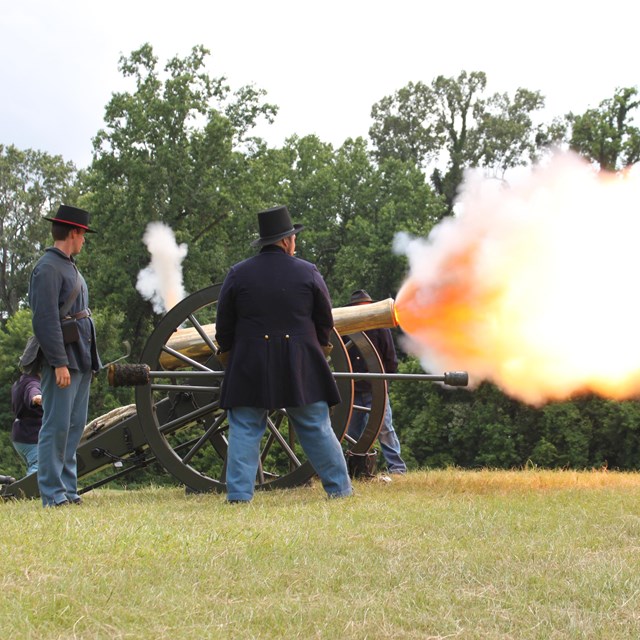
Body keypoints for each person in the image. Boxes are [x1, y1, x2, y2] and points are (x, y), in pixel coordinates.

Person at [215, 205, 353, 503]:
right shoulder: (308, 271)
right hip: (300, 360)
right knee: (316, 425)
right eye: (294, 238)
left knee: (244, 427)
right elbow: (324, 319)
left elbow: (224, 324)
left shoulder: (238, 274)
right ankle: (339, 490)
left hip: (250, 361)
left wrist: (228, 354)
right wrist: (319, 348)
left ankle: (239, 496)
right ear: (287, 240)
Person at [29, 204, 101, 507]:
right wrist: (59, 362)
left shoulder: (68, 265)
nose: (84, 240)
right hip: (64, 359)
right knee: (56, 428)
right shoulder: (47, 268)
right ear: (74, 232)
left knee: (73, 428)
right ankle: (53, 494)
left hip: (80, 357)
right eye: (83, 234)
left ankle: (69, 491)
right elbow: (44, 320)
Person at [346, 289, 407, 474]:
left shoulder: (380, 328)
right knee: (353, 434)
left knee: (385, 429)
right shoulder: (345, 330)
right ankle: (357, 469)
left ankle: (397, 468)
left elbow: (390, 358)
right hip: (353, 390)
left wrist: (383, 385)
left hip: (375, 390)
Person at [11, 369, 43, 475]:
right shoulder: (33, 383)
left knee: (34, 466)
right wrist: (37, 398)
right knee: (38, 468)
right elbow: (33, 392)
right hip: (31, 435)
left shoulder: (19, 382)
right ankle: (29, 492)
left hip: (20, 434)